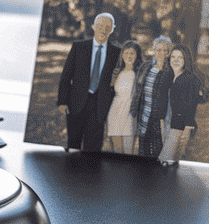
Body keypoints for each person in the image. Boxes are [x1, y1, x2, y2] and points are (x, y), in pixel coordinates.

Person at [57, 12, 121, 152]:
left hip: (100, 105)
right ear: (93, 26)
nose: (103, 29)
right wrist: (62, 101)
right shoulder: (79, 47)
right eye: (100, 26)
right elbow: (66, 75)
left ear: (112, 29)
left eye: (107, 27)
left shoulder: (117, 53)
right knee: (73, 144)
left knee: (93, 148)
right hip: (76, 102)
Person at [131, 35, 173, 158]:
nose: (162, 53)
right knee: (142, 151)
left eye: (165, 50)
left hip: (158, 120)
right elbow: (137, 90)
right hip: (143, 116)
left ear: (168, 52)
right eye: (159, 50)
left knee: (156, 153)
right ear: (153, 50)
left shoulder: (170, 71)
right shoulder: (145, 66)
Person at [158, 43, 201, 163]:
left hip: (179, 126)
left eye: (180, 57)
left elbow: (192, 106)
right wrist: (161, 121)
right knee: (172, 159)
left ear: (186, 59)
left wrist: (187, 130)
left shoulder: (191, 79)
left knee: (164, 159)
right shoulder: (168, 77)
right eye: (173, 57)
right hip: (166, 123)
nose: (176, 60)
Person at [106, 40, 143, 154]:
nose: (129, 56)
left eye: (132, 53)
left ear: (137, 55)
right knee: (117, 151)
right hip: (114, 112)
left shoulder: (140, 73)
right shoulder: (116, 71)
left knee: (128, 152)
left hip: (130, 114)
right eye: (126, 53)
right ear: (122, 54)